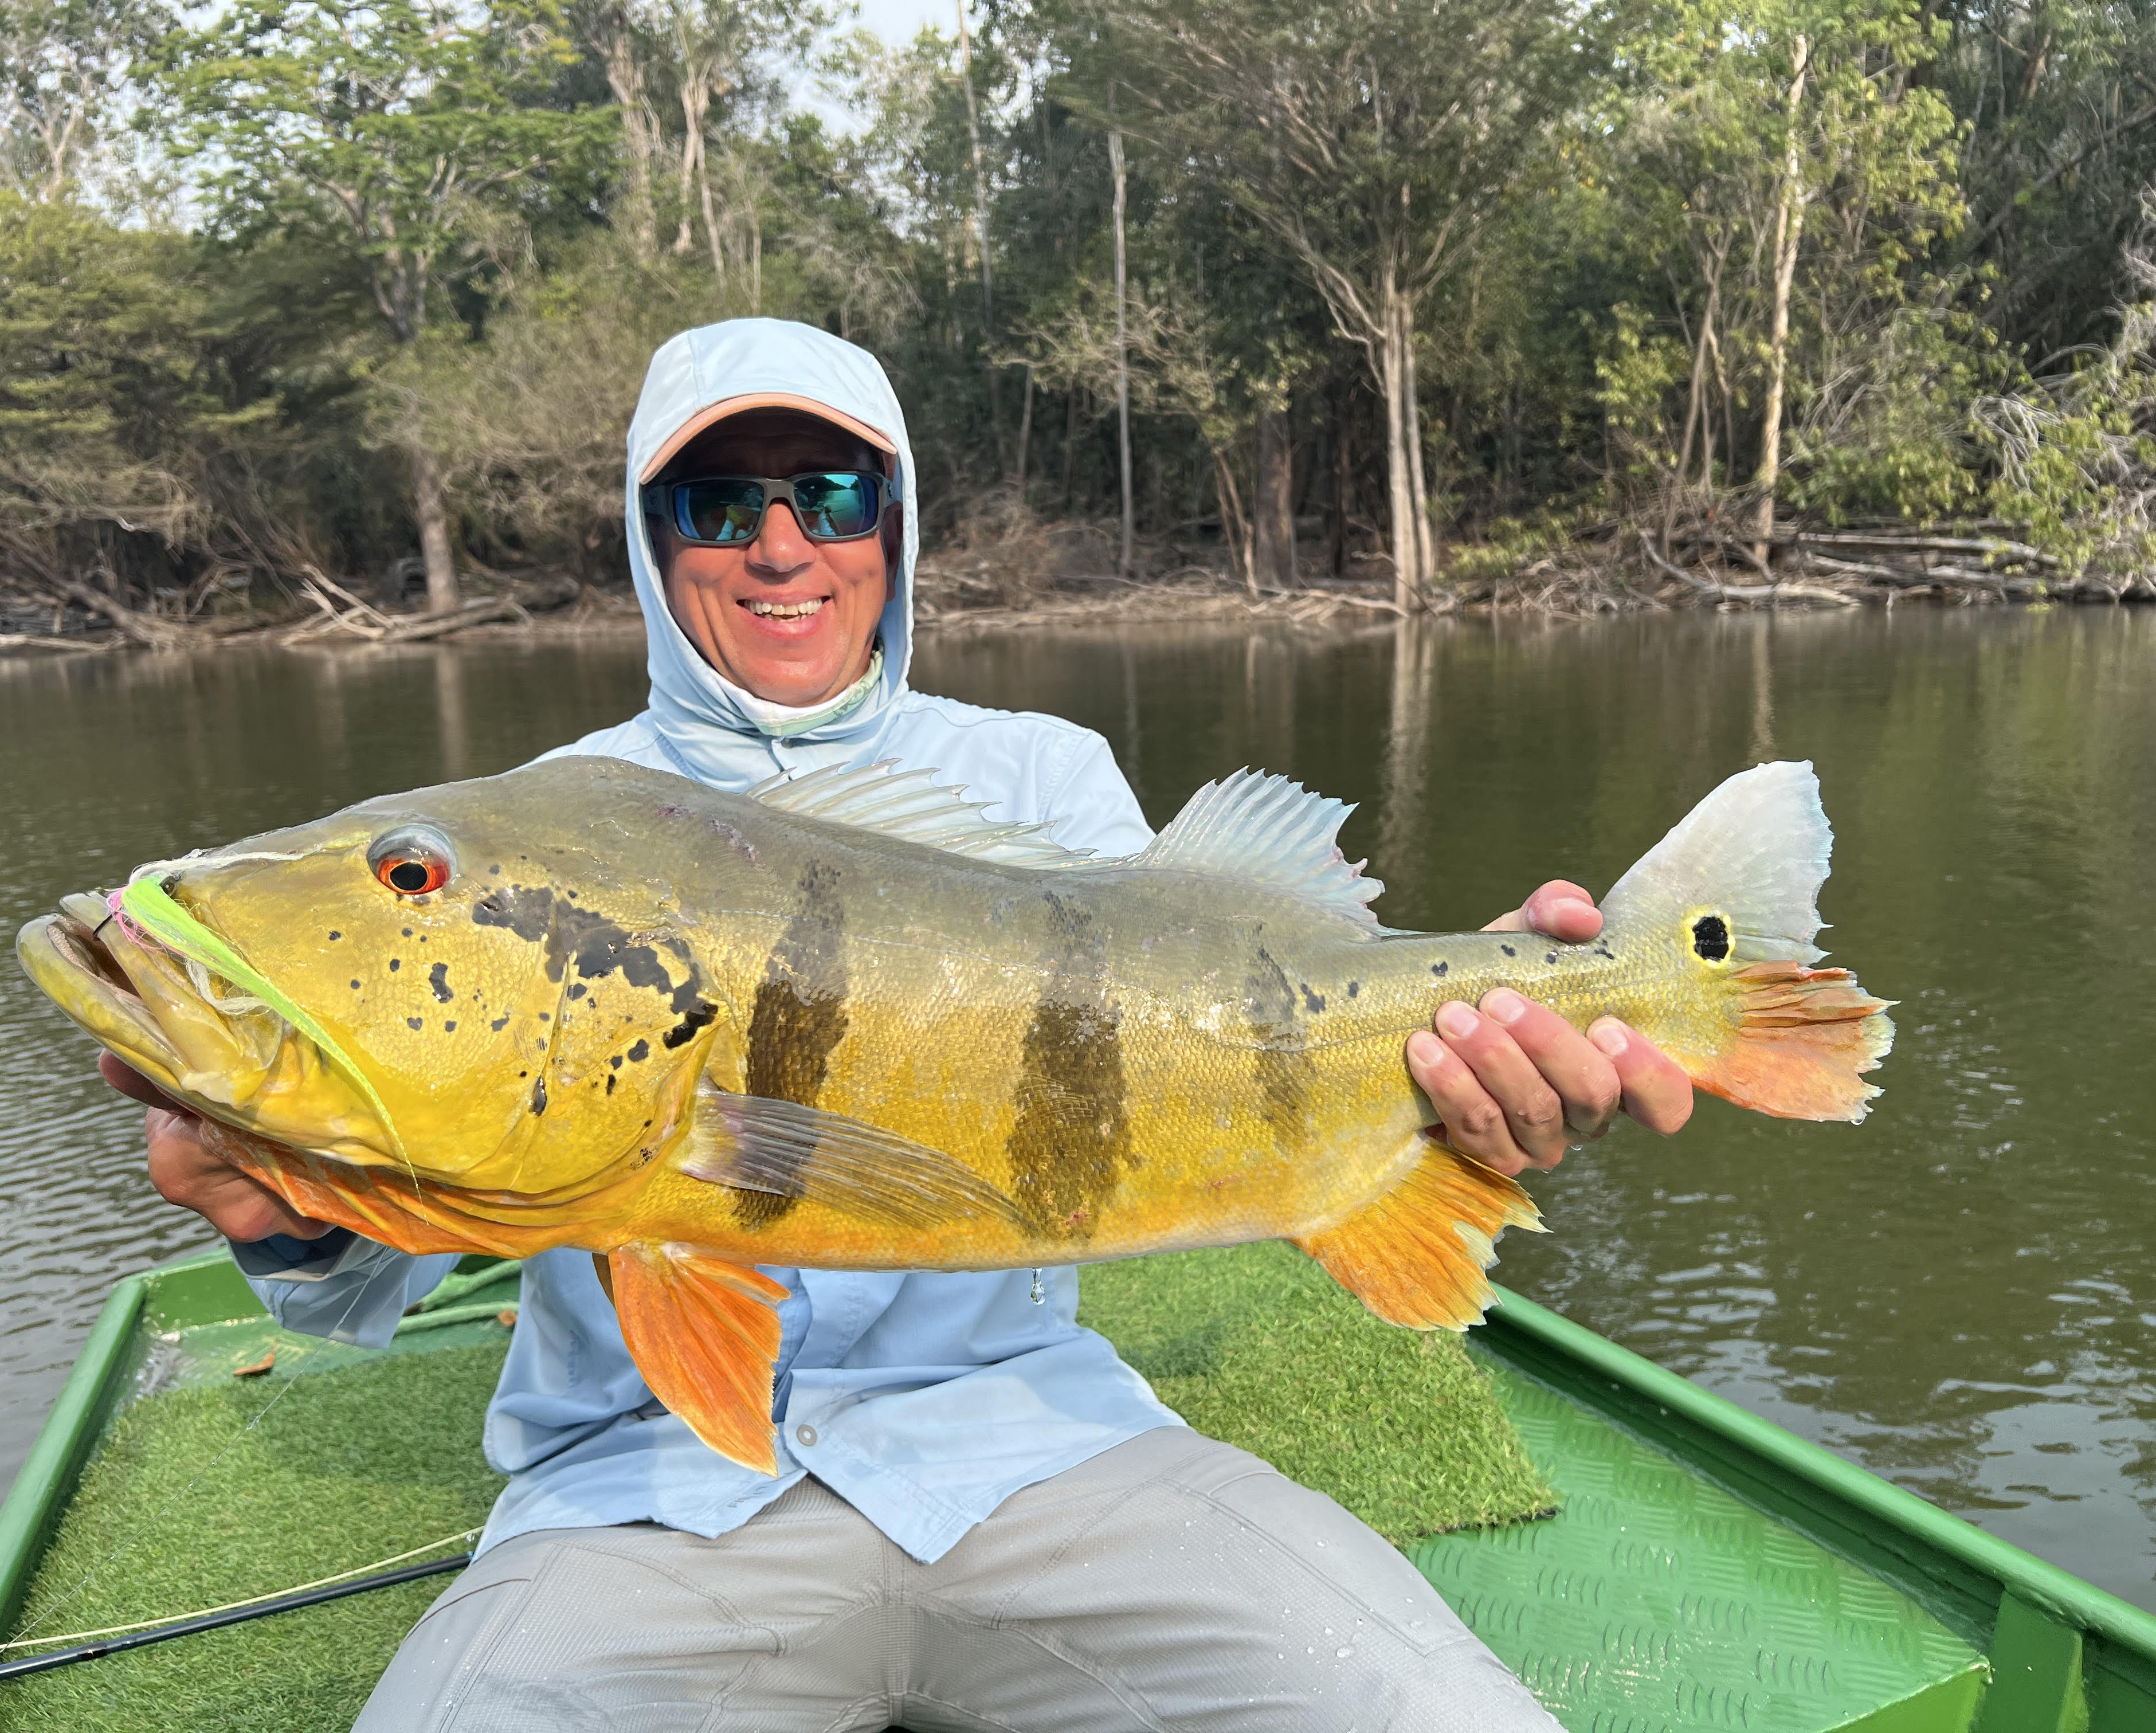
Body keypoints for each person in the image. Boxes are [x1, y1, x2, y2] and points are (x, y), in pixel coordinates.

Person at [101, 319, 1692, 1731]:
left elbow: (1236, 1019)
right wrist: (274, 1203)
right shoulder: (539, 822)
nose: (782, 547)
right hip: (642, 1500)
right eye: (719, 505)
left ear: (896, 525)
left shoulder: (1046, 778)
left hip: (1042, 1453)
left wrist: (1481, 1033)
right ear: (653, 543)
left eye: (834, 494)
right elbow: (366, 1266)